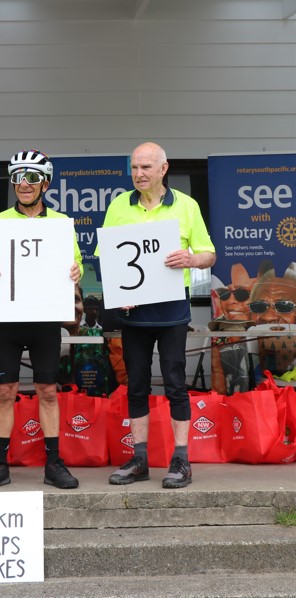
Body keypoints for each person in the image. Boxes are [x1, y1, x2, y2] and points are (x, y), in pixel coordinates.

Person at [97, 141, 216, 489]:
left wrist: (191, 259)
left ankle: (181, 459)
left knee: (176, 383)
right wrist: (117, 292)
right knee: (136, 384)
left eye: (146, 167)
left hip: (172, 309)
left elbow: (209, 254)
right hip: (133, 310)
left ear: (163, 169)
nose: (138, 174)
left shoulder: (187, 205)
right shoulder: (119, 205)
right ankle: (139, 459)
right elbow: (107, 256)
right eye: (134, 167)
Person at [0, 149, 84, 490]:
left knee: (47, 390)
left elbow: (76, 263)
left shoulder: (60, 223)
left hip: (45, 319)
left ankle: (54, 463)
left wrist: (76, 270)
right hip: (9, 318)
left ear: (45, 183)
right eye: (18, 177)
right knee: (4, 390)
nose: (23, 184)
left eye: (32, 177)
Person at [209, 263, 255, 395]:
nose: (230, 301)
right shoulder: (218, 331)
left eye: (241, 294)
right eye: (224, 294)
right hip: (227, 398)